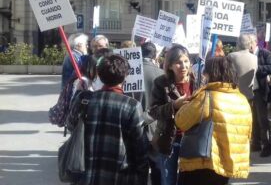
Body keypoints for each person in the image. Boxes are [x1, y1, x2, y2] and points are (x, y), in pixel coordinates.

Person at [66, 54, 148, 185]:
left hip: (86, 173)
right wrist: (142, 177)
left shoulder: (83, 98)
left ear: (98, 74)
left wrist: (79, 94)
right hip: (118, 175)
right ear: (125, 76)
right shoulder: (132, 105)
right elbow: (140, 147)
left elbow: (70, 125)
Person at [175, 56, 252, 185]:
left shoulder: (207, 96)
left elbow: (181, 121)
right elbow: (248, 133)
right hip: (228, 162)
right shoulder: (242, 100)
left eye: (206, 71)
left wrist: (181, 105)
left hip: (203, 162)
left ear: (211, 74)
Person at [150, 44, 195, 185]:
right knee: (169, 181)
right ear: (170, 66)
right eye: (178, 62)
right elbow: (154, 111)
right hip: (169, 140)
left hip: (193, 139)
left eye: (186, 61)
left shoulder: (198, 81)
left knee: (189, 180)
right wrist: (174, 105)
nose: (183, 66)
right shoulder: (161, 83)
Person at [139, 42, 164, 185]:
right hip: (155, 127)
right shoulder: (161, 73)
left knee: (139, 166)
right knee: (157, 167)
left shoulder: (131, 72)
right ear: (154, 55)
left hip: (135, 124)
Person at [252, 34, 271, 156]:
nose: (246, 45)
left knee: (262, 119)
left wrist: (256, 68)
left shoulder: (265, 53)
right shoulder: (245, 55)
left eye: (248, 42)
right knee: (253, 119)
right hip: (249, 91)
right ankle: (256, 143)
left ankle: (267, 146)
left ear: (255, 42)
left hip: (260, 91)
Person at [227, 34, 258, 101]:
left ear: (238, 44)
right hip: (249, 94)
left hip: (235, 94)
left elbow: (227, 75)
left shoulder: (231, 56)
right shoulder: (255, 57)